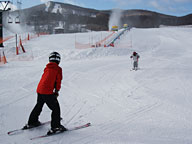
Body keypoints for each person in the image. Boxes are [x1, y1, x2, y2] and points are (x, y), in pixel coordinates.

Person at [24, 52, 67, 135]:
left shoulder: (47, 68)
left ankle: (32, 121)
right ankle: (56, 126)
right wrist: (56, 92)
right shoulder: (58, 69)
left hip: (40, 89)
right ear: (58, 60)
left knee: (39, 105)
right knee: (55, 108)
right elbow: (58, 82)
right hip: (47, 91)